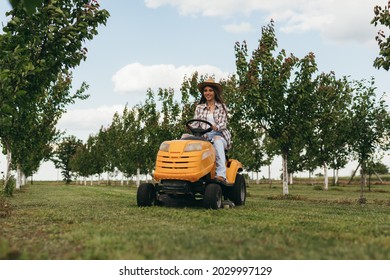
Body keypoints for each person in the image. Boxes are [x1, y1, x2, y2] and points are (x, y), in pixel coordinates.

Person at [192, 78, 232, 183]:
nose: (208, 93)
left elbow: (223, 123)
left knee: (217, 140)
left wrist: (217, 127)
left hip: (219, 134)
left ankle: (221, 174)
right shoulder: (199, 107)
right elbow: (196, 123)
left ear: (215, 92)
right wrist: (190, 126)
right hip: (203, 136)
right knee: (184, 139)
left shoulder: (222, 107)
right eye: (205, 90)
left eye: (210, 90)